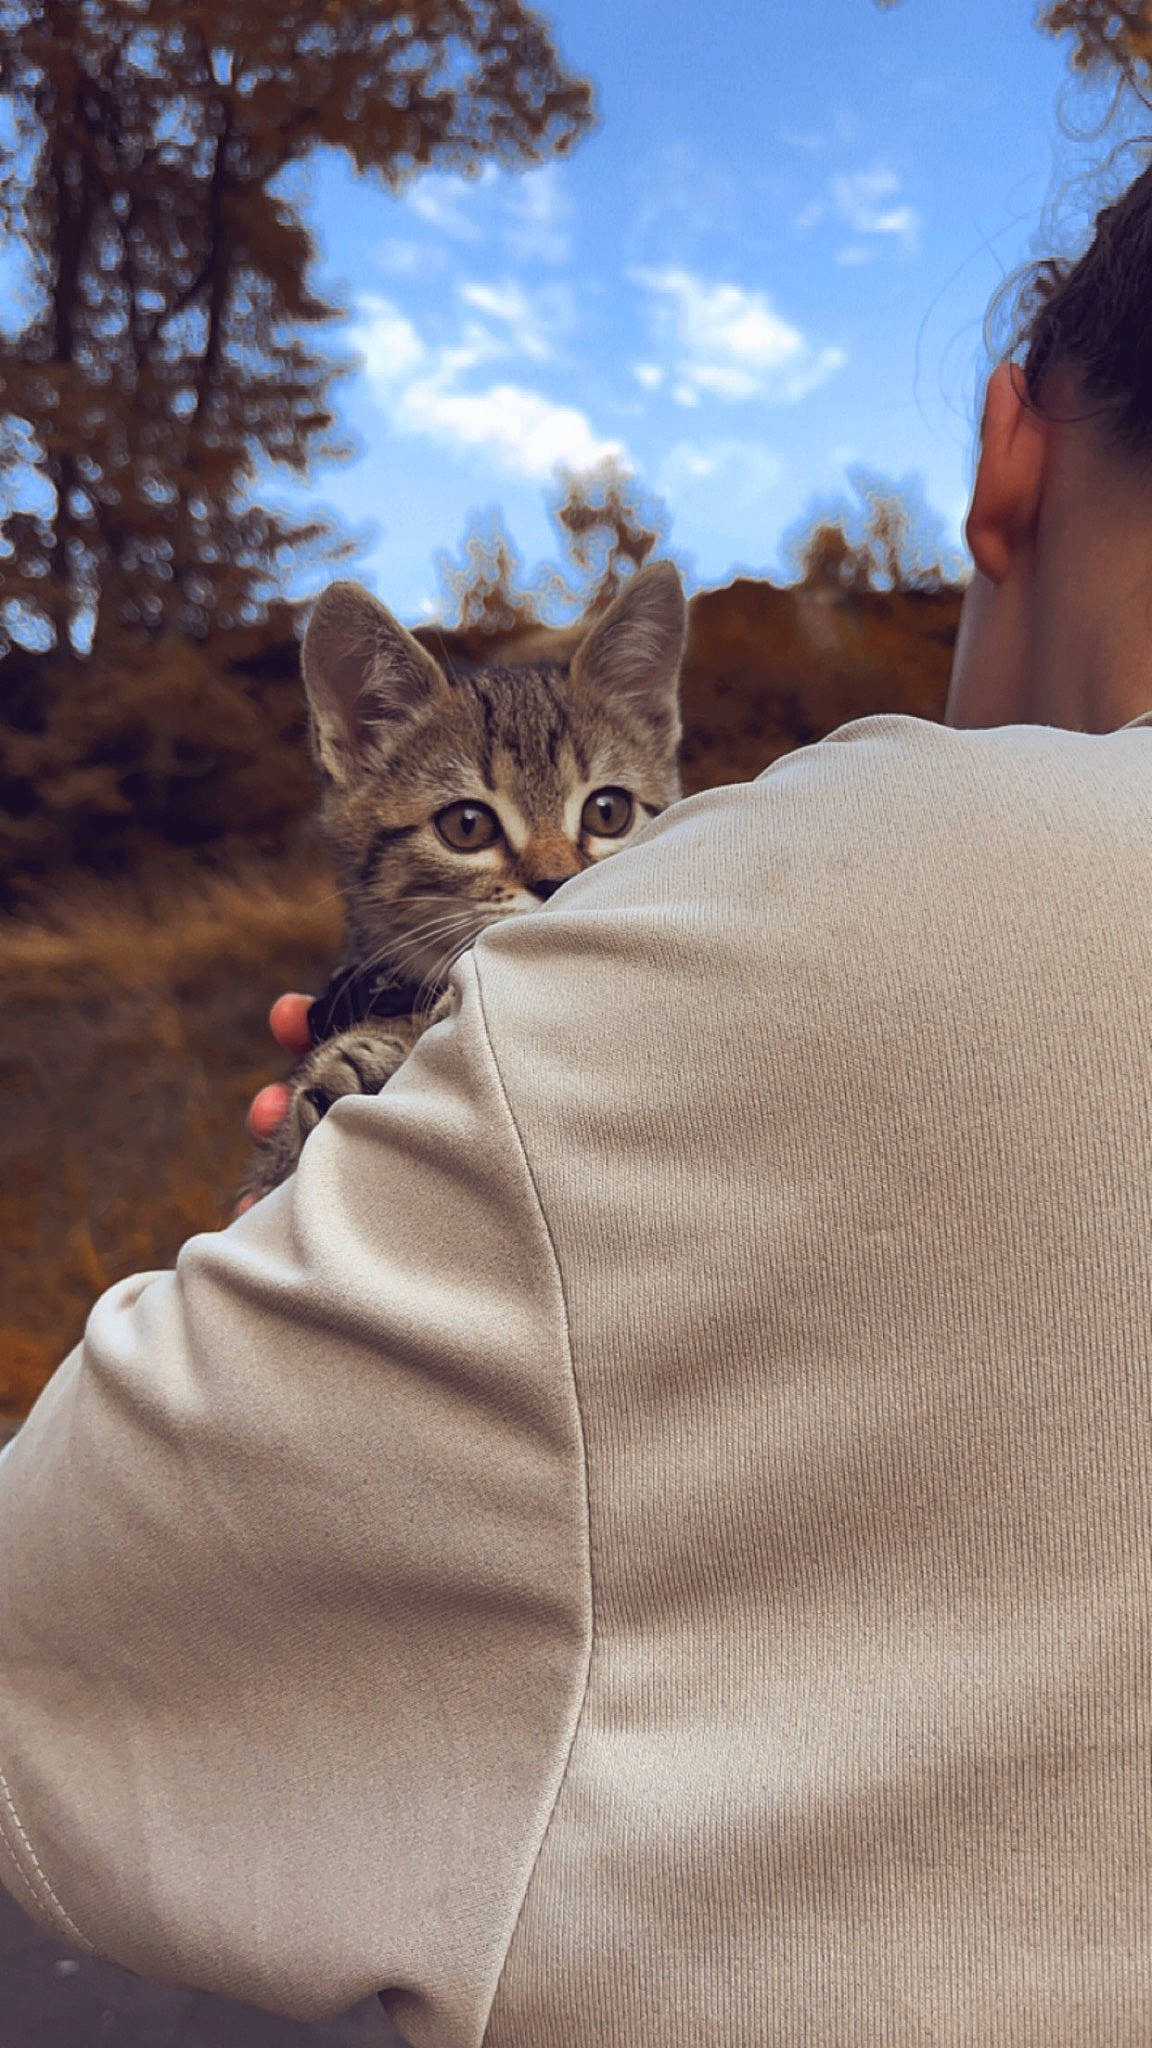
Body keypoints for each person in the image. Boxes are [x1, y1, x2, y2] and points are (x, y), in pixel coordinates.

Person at [4, 154, 1152, 2048]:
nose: (550, 876)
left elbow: (57, 1636)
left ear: (1007, 453)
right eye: (487, 832)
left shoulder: (786, 912)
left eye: (601, 824)